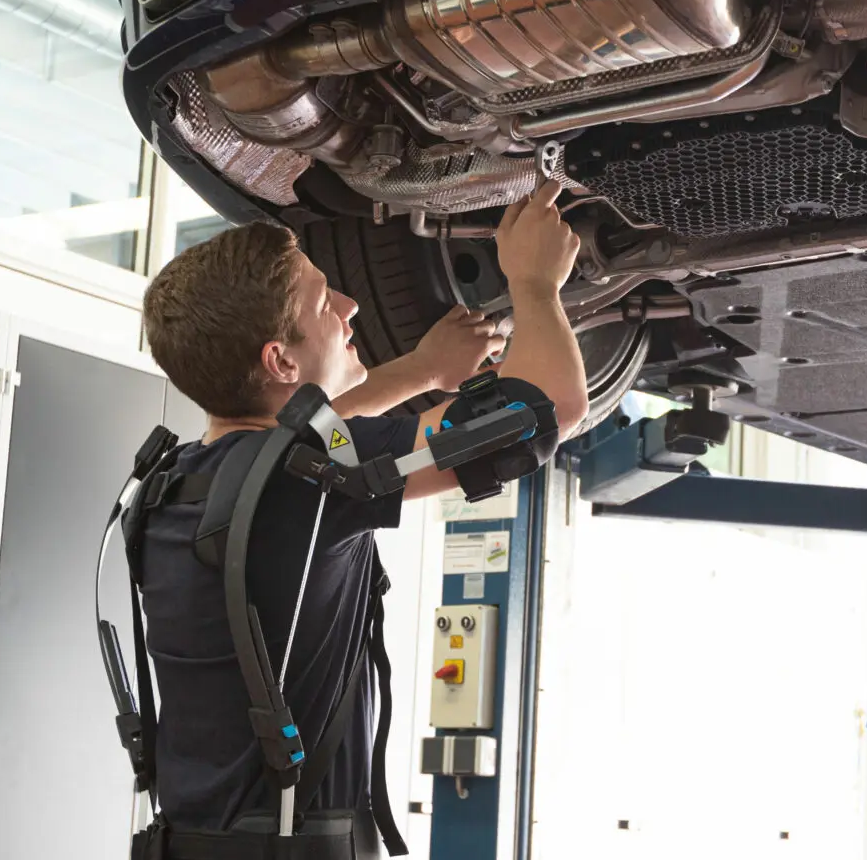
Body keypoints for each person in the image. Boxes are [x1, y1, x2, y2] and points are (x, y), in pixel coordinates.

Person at [133, 179, 590, 856]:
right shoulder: (302, 484)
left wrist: (418, 371)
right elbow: (538, 412)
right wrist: (534, 283)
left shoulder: (176, 482)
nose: (350, 308)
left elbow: (310, 440)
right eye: (323, 301)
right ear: (280, 360)